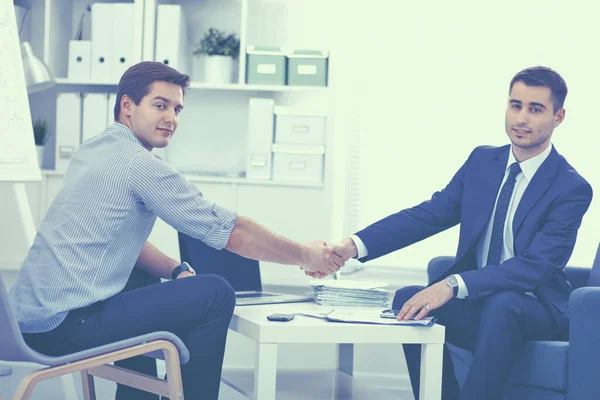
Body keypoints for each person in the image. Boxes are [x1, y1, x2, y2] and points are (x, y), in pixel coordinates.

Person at [8, 61, 344, 400]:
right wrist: (304, 254)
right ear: (127, 105)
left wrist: (176, 269)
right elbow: (232, 231)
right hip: (66, 326)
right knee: (214, 293)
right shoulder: (139, 165)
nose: (171, 118)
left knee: (141, 278)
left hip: (25, 324)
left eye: (177, 108)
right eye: (159, 105)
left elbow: (118, 240)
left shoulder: (92, 151)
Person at [325, 66, 593, 400]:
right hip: (481, 302)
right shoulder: (482, 161)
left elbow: (537, 266)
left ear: (558, 117)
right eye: (515, 105)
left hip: (534, 307)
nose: (521, 118)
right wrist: (353, 245)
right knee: (407, 299)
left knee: (504, 303)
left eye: (535, 109)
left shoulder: (571, 187)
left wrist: (453, 284)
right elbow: (429, 215)